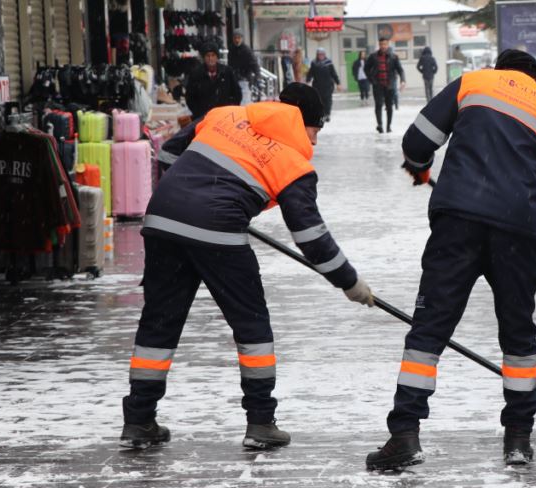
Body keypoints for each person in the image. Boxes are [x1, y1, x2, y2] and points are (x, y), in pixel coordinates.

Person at [120, 83, 375, 451]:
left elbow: (169, 154)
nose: (315, 143)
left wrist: (191, 194)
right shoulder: (292, 163)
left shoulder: (225, 115)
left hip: (162, 219)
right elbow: (310, 236)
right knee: (251, 325)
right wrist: (349, 282)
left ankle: (139, 419)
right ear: (303, 122)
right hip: (217, 228)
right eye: (316, 130)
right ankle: (260, 421)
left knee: (159, 321)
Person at [364, 49, 536, 471]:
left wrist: (420, 168)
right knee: (517, 337)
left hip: (457, 221)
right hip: (517, 228)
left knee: (429, 330)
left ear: (501, 70)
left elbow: (417, 141)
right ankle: (518, 438)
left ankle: (404, 433)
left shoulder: (473, 83)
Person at [184, 46, 241, 119]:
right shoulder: (196, 74)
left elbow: (237, 93)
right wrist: (198, 113)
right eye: (208, 56)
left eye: (213, 55)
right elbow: (190, 97)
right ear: (204, 58)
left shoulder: (227, 72)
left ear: (217, 57)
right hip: (203, 117)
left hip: (225, 116)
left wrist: (231, 110)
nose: (210, 58)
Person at [363, 37, 406, 133]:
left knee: (389, 106)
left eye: (385, 44)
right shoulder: (373, 56)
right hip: (377, 85)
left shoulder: (393, 57)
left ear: (388, 45)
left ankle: (388, 126)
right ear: (379, 45)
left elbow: (400, 70)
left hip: (389, 85)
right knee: (378, 105)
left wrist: (402, 80)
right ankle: (380, 125)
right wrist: (371, 80)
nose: (383, 46)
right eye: (381, 44)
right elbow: (366, 68)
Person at [306, 47, 341, 122]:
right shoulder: (314, 63)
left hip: (328, 86)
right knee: (319, 101)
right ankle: (322, 115)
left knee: (328, 101)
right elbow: (310, 73)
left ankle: (327, 114)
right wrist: (308, 81)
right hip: (317, 86)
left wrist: (338, 83)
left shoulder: (329, 62)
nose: (321, 56)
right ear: (317, 55)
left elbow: (333, 74)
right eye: (319, 54)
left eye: (322, 54)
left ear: (324, 55)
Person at [229, 30, 260, 104]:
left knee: (244, 100)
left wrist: (257, 76)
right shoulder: (231, 50)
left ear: (242, 38)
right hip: (234, 79)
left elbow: (254, 64)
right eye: (235, 38)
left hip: (245, 78)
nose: (237, 40)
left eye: (238, 38)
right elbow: (230, 65)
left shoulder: (247, 50)